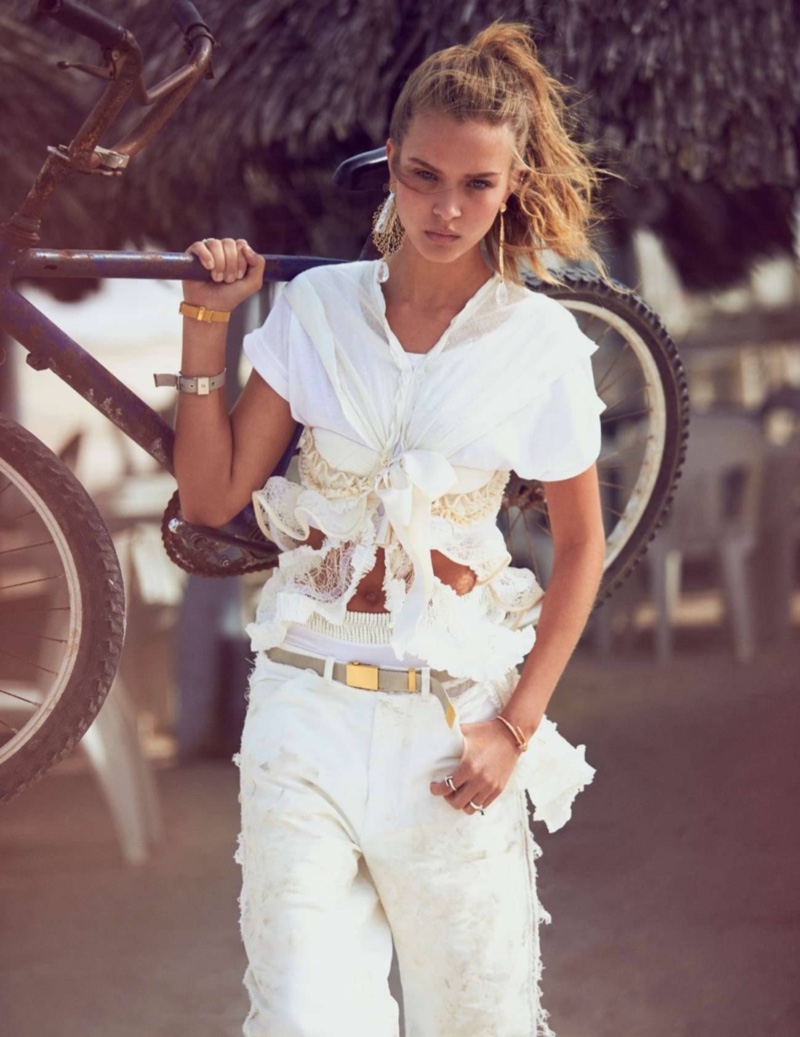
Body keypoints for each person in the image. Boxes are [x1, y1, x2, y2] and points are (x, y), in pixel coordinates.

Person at [172, 22, 607, 1037]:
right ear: (391, 162)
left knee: (478, 1023)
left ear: (510, 186)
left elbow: (580, 545)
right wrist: (206, 320)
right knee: (298, 1021)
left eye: (475, 185)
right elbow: (211, 493)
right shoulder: (317, 308)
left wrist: (515, 724)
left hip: (450, 731)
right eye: (422, 176)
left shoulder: (542, 344)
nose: (445, 208)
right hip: (303, 715)